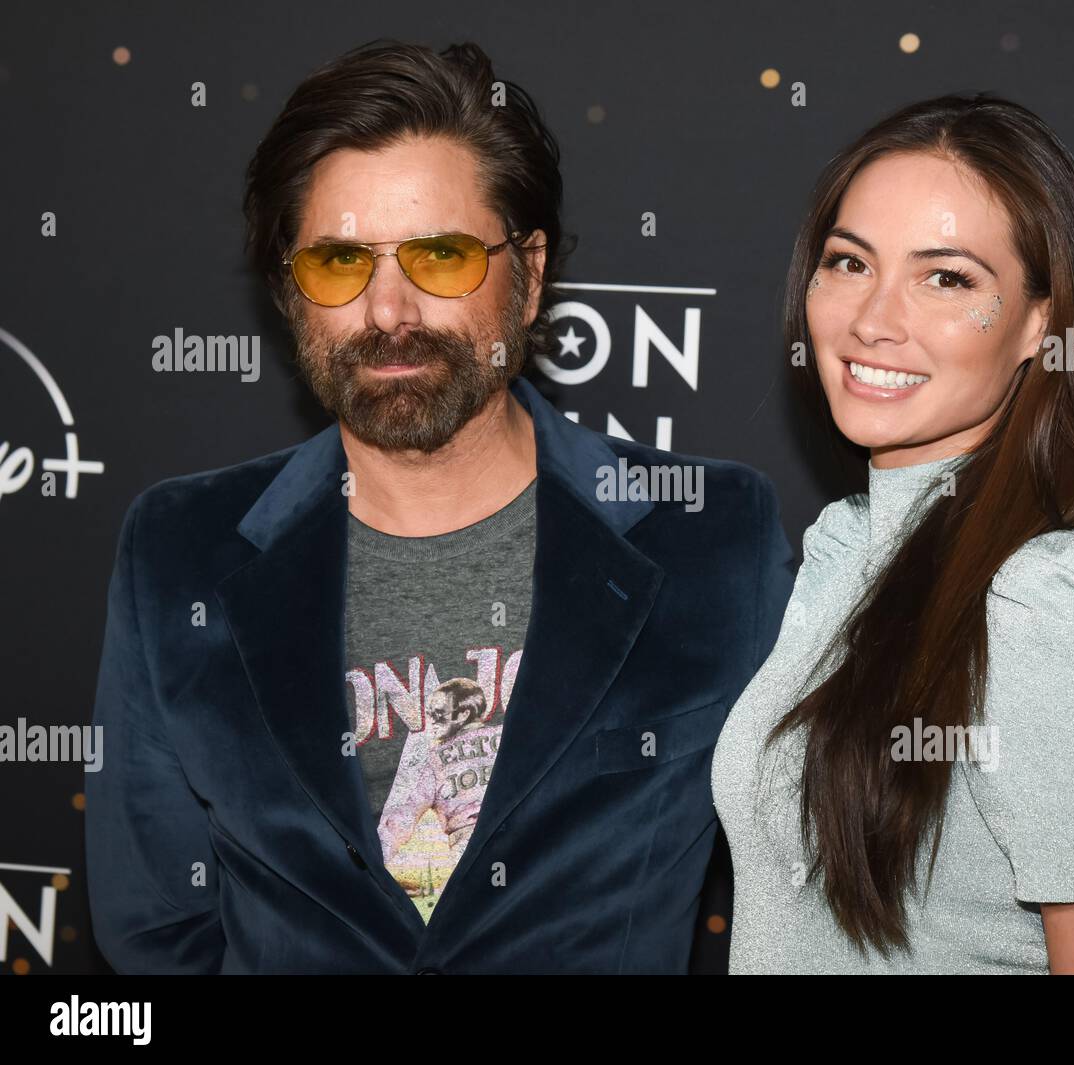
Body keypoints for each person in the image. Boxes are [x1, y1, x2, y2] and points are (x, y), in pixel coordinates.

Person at [84, 39, 795, 974]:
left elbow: (806, 895)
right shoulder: (179, 549)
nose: (388, 311)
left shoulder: (713, 538)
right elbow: (155, 929)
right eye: (340, 261)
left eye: (442, 256)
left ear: (530, 274)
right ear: (291, 292)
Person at [711, 93, 1074, 974]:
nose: (874, 320)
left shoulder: (1064, 596)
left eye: (947, 277)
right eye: (849, 263)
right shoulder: (847, 552)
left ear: (1041, 322)